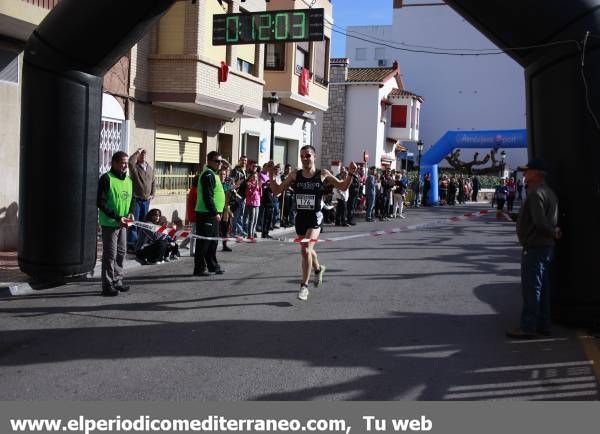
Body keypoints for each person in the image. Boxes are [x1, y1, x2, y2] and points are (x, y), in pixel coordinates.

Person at [268, 145, 357, 301]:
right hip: (300, 217)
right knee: (306, 249)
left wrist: (350, 173)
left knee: (305, 250)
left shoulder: (322, 174)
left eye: (308, 156)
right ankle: (318, 269)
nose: (304, 158)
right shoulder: (295, 175)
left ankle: (304, 286)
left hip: (315, 217)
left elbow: (342, 186)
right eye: (302, 156)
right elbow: (277, 191)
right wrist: (270, 175)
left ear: (314, 157)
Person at [507, 158, 561, 339]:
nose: (524, 174)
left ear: (536, 173)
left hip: (535, 247)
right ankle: (543, 324)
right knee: (542, 287)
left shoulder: (536, 193)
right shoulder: (549, 192)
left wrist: (552, 232)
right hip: (545, 247)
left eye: (527, 171)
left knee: (532, 288)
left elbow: (539, 222)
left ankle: (528, 327)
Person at [97, 151, 134, 296]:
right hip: (110, 223)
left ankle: (118, 281)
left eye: (126, 163)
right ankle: (107, 285)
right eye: (122, 162)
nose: (125, 165)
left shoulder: (129, 180)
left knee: (121, 253)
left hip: (123, 223)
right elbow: (101, 202)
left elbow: (132, 200)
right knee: (110, 255)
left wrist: (130, 212)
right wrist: (117, 217)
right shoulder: (106, 179)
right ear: (114, 163)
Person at [193, 151, 226, 277]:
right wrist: (214, 212)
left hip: (213, 214)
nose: (220, 163)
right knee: (204, 243)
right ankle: (199, 268)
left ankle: (213, 266)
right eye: (217, 161)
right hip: (206, 213)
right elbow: (208, 197)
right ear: (209, 161)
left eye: (221, 161)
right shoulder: (208, 174)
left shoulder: (214, 174)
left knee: (213, 242)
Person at [127, 148, 156, 251]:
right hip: (136, 200)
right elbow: (130, 161)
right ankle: (132, 244)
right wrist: (137, 151)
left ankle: (140, 243)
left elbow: (153, 181)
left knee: (144, 223)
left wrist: (153, 194)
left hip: (146, 201)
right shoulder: (134, 167)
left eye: (144, 154)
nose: (143, 156)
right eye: (141, 154)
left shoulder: (149, 168)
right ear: (138, 156)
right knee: (134, 222)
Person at [230, 156, 248, 237]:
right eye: (242, 160)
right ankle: (233, 231)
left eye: (245, 160)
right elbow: (232, 183)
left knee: (241, 214)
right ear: (239, 161)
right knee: (236, 214)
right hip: (237, 195)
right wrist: (237, 184)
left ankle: (239, 231)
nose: (244, 162)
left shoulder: (245, 171)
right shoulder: (235, 170)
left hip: (244, 196)